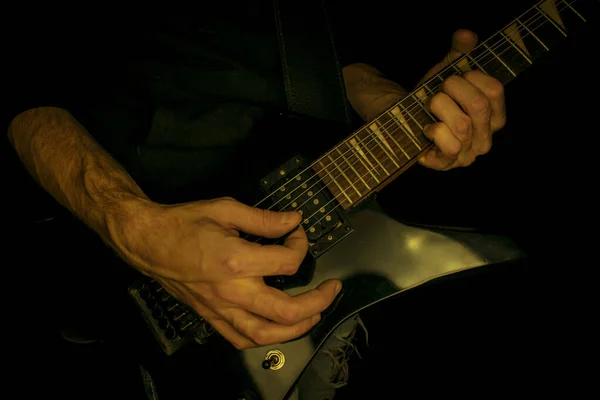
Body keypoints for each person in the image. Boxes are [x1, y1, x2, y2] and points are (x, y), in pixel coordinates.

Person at [6, 4, 506, 398]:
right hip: (99, 231)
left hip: (314, 233)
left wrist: (389, 102)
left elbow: (337, 47)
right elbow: (23, 92)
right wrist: (131, 226)